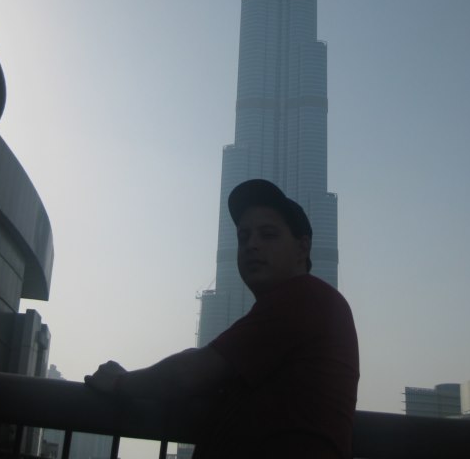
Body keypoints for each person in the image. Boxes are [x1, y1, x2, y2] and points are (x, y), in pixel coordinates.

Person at [85, 179, 359, 458]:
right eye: (243, 237)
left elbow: (188, 374)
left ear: (302, 249)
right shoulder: (291, 310)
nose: (251, 245)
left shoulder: (303, 298)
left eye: (268, 235)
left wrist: (120, 382)